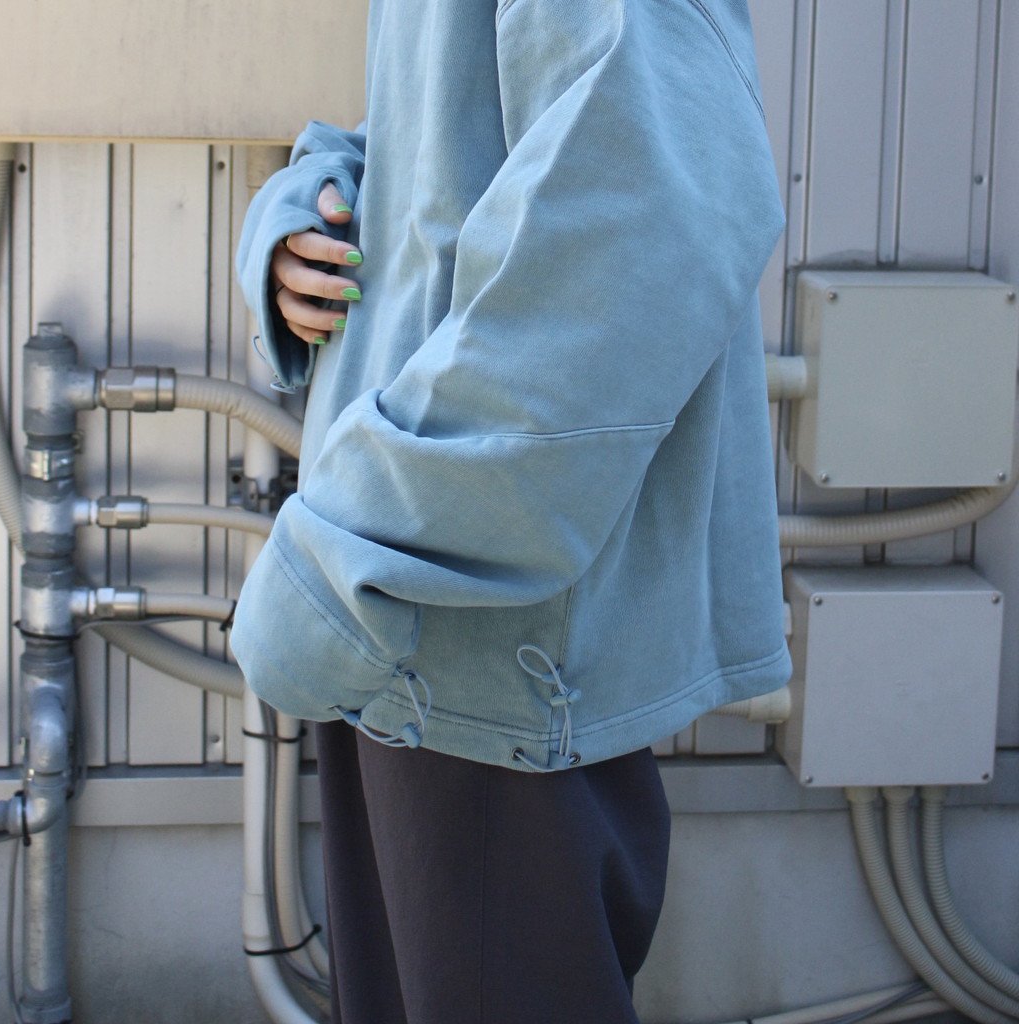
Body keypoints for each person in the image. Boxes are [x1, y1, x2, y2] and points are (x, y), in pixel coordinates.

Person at [230, 0, 791, 1020]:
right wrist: (316, 205)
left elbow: (643, 221)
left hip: (485, 640)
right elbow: (459, 138)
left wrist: (349, 555)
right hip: (423, 614)